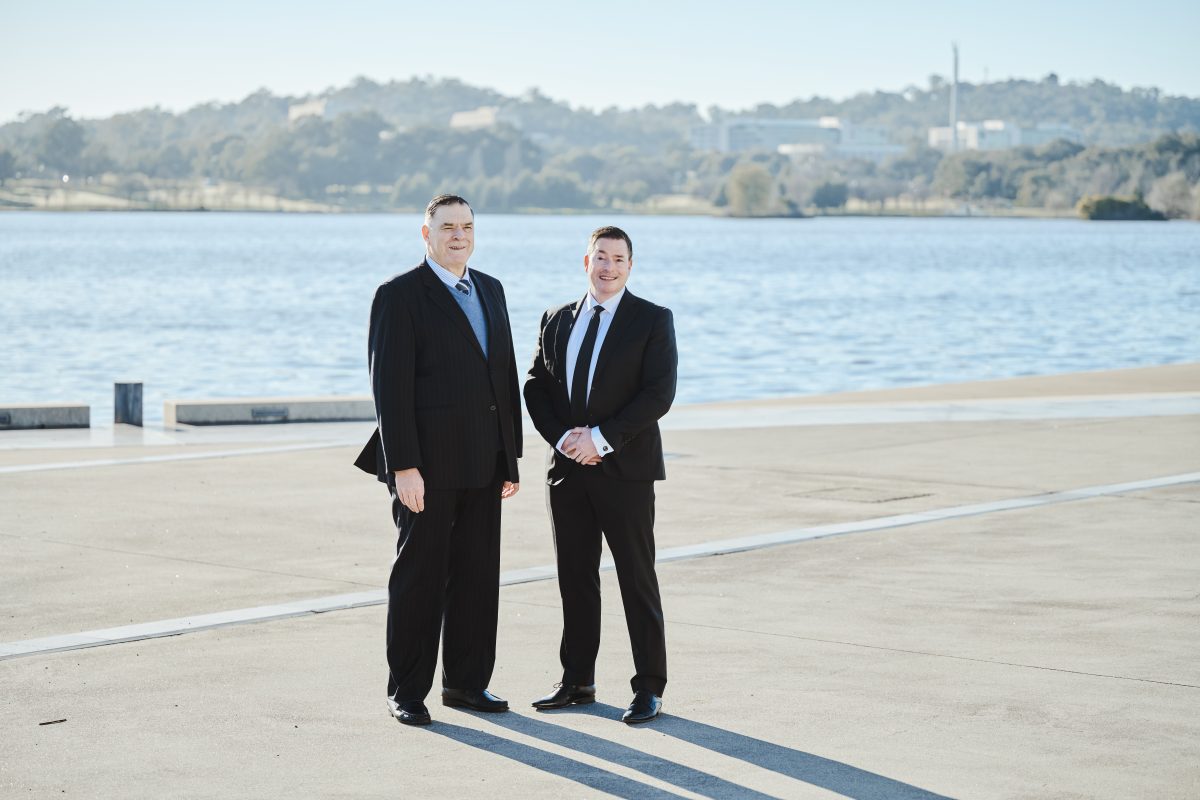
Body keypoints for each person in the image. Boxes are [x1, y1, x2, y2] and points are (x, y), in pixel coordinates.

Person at [354, 194, 522, 726]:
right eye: (447, 227)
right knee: (419, 579)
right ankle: (406, 690)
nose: (458, 235)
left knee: (477, 578)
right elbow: (390, 389)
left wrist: (509, 460)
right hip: (424, 467)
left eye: (467, 226)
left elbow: (503, 376)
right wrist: (404, 466)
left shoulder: (490, 289)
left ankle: (467, 684)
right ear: (425, 234)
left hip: (482, 464)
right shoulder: (399, 295)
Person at [523, 225, 677, 724]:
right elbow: (535, 385)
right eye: (600, 257)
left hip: (626, 471)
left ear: (630, 267)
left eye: (618, 259)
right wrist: (565, 440)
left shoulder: (652, 320)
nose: (608, 267)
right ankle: (577, 681)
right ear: (584, 261)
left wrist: (600, 439)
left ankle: (649, 688)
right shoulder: (556, 318)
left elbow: (658, 394)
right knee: (575, 579)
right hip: (568, 472)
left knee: (637, 579)